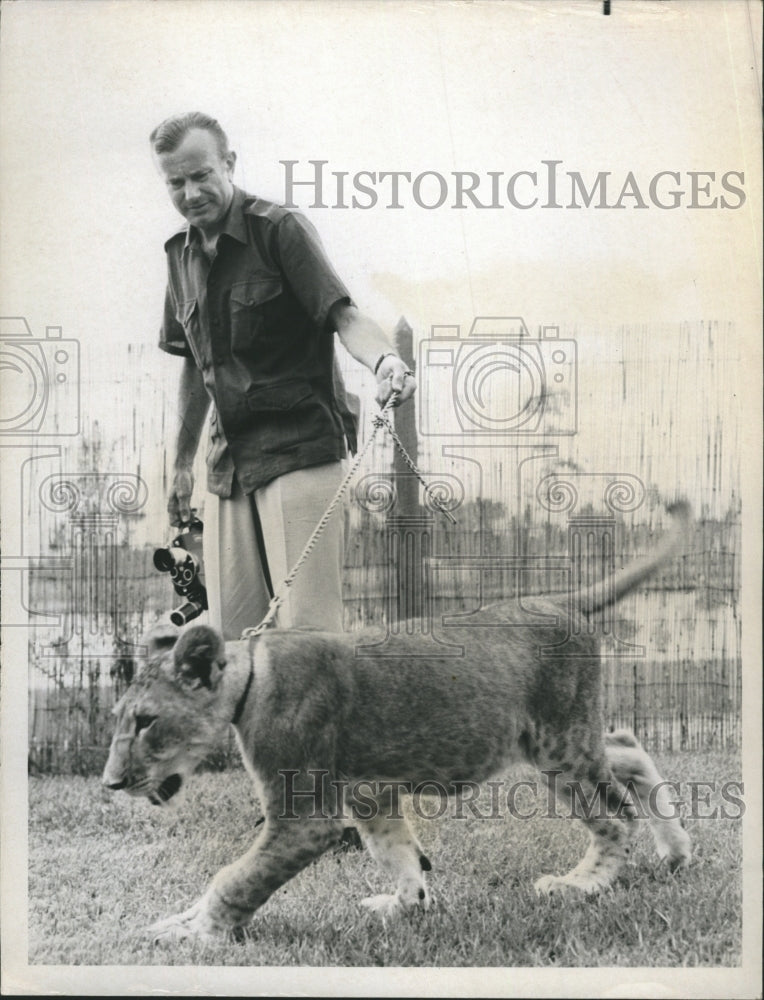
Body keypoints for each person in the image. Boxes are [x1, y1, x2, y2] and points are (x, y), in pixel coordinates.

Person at [152, 112, 416, 641]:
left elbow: (344, 315)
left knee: (308, 642)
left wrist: (386, 361)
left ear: (228, 163)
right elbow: (193, 364)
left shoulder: (279, 230)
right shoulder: (178, 255)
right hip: (229, 467)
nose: (191, 192)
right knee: (233, 646)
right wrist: (181, 463)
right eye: (176, 182)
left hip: (300, 451)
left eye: (202, 174)